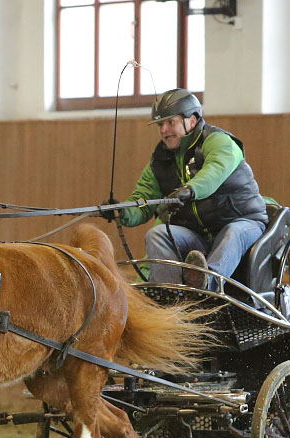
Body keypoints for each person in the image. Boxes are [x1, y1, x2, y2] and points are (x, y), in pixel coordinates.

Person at [105, 89, 267, 289]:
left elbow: (215, 171)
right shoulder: (160, 161)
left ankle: (207, 287)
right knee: (157, 234)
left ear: (191, 120)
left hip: (244, 223)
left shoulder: (219, 141)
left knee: (232, 233)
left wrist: (190, 189)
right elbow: (144, 199)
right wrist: (122, 211)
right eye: (160, 124)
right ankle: (169, 297)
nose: (164, 130)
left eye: (170, 122)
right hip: (199, 235)